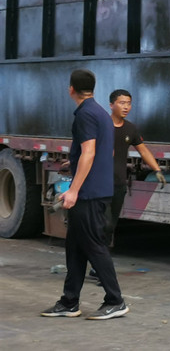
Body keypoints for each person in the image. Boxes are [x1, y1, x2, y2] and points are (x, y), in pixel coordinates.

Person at [41, 69, 129, 320]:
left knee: (94, 246)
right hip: (96, 188)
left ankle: (115, 301)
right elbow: (106, 152)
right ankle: (70, 301)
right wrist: (75, 160)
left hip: (89, 193)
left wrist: (73, 190)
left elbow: (89, 152)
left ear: (71, 89)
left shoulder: (85, 115)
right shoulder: (101, 113)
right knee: (75, 247)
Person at [106, 89, 165, 248]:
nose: (126, 107)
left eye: (129, 103)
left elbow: (143, 151)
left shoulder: (130, 129)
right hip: (100, 183)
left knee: (111, 226)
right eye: (122, 103)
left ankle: (100, 258)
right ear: (111, 105)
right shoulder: (102, 126)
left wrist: (157, 170)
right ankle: (96, 256)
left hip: (119, 184)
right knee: (104, 224)